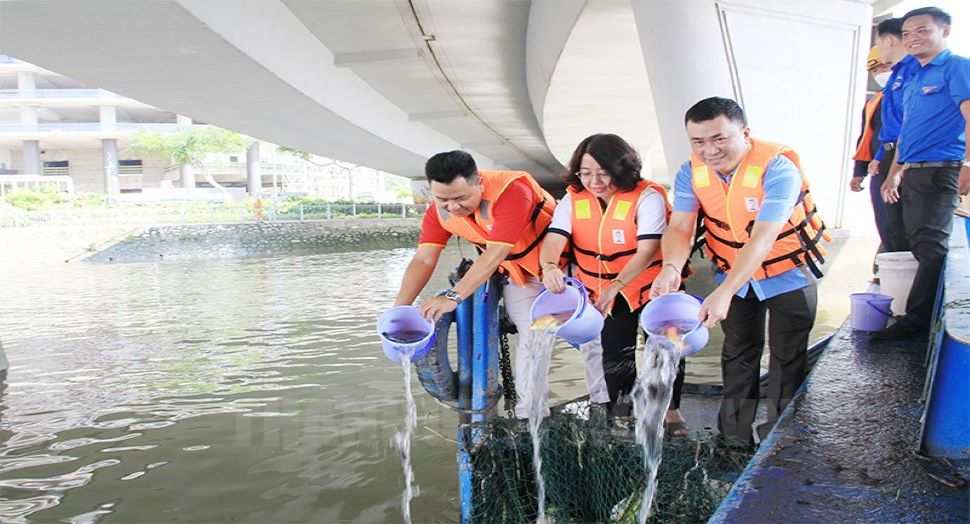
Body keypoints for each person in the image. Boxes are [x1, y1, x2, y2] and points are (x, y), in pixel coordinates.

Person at [651, 97, 830, 445]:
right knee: (737, 352)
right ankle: (733, 436)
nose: (710, 150)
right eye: (698, 142)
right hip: (732, 275)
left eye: (719, 138)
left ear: (744, 133)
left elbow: (764, 238)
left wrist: (725, 292)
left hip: (788, 272)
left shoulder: (778, 169)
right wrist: (671, 267)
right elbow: (680, 227)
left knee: (787, 356)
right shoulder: (690, 172)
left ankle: (779, 438)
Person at [537, 134, 689, 435]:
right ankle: (623, 409)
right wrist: (549, 265)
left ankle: (670, 409)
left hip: (651, 285)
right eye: (585, 172)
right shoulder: (572, 198)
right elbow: (555, 237)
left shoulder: (648, 196)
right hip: (604, 290)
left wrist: (617, 284)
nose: (594, 181)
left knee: (664, 347)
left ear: (621, 167)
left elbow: (647, 251)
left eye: (602, 172)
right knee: (615, 350)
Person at [393, 150, 556, 418]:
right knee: (533, 333)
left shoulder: (513, 190)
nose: (453, 207)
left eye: (461, 198)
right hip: (521, 276)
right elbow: (423, 259)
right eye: (443, 199)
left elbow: (495, 253)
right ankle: (533, 416)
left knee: (593, 339)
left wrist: (453, 297)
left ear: (479, 182)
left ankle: (609, 402)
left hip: (563, 268)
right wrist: (399, 309)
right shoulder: (439, 212)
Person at [874, 6, 970, 339]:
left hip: (941, 169)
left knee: (930, 246)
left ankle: (918, 321)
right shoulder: (916, 75)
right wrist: (896, 170)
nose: (913, 38)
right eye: (907, 33)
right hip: (913, 170)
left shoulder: (957, 68)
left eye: (922, 30)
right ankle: (914, 313)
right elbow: (910, 129)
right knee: (916, 241)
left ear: (944, 31)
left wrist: (968, 165)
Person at [870, 17, 917, 253]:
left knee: (901, 226)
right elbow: (889, 125)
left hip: (904, 156)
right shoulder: (896, 75)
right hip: (890, 154)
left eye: (878, 43)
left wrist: (895, 169)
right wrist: (879, 155)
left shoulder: (913, 72)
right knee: (890, 224)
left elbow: (908, 125)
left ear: (888, 40)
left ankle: (905, 283)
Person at [849, 47, 895, 257]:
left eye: (886, 66)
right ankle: (888, 258)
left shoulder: (906, 95)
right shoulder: (874, 100)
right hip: (879, 169)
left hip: (902, 167)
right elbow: (866, 136)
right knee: (884, 220)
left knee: (897, 222)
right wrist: (859, 171)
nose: (881, 73)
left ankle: (893, 258)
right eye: (875, 69)